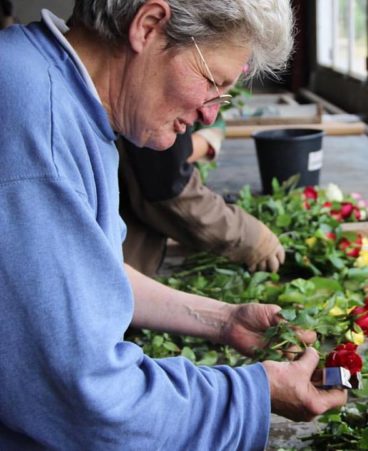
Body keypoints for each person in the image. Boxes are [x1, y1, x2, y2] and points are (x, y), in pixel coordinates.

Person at [0, 1, 347, 449]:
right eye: (212, 83)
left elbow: (84, 275)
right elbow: (90, 400)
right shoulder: (38, 129)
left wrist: (223, 320)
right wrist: (254, 393)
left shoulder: (53, 87)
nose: (209, 115)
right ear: (149, 26)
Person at [118, 120, 285, 276]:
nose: (208, 116)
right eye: (210, 87)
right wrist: (251, 236)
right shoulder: (155, 119)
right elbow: (170, 190)